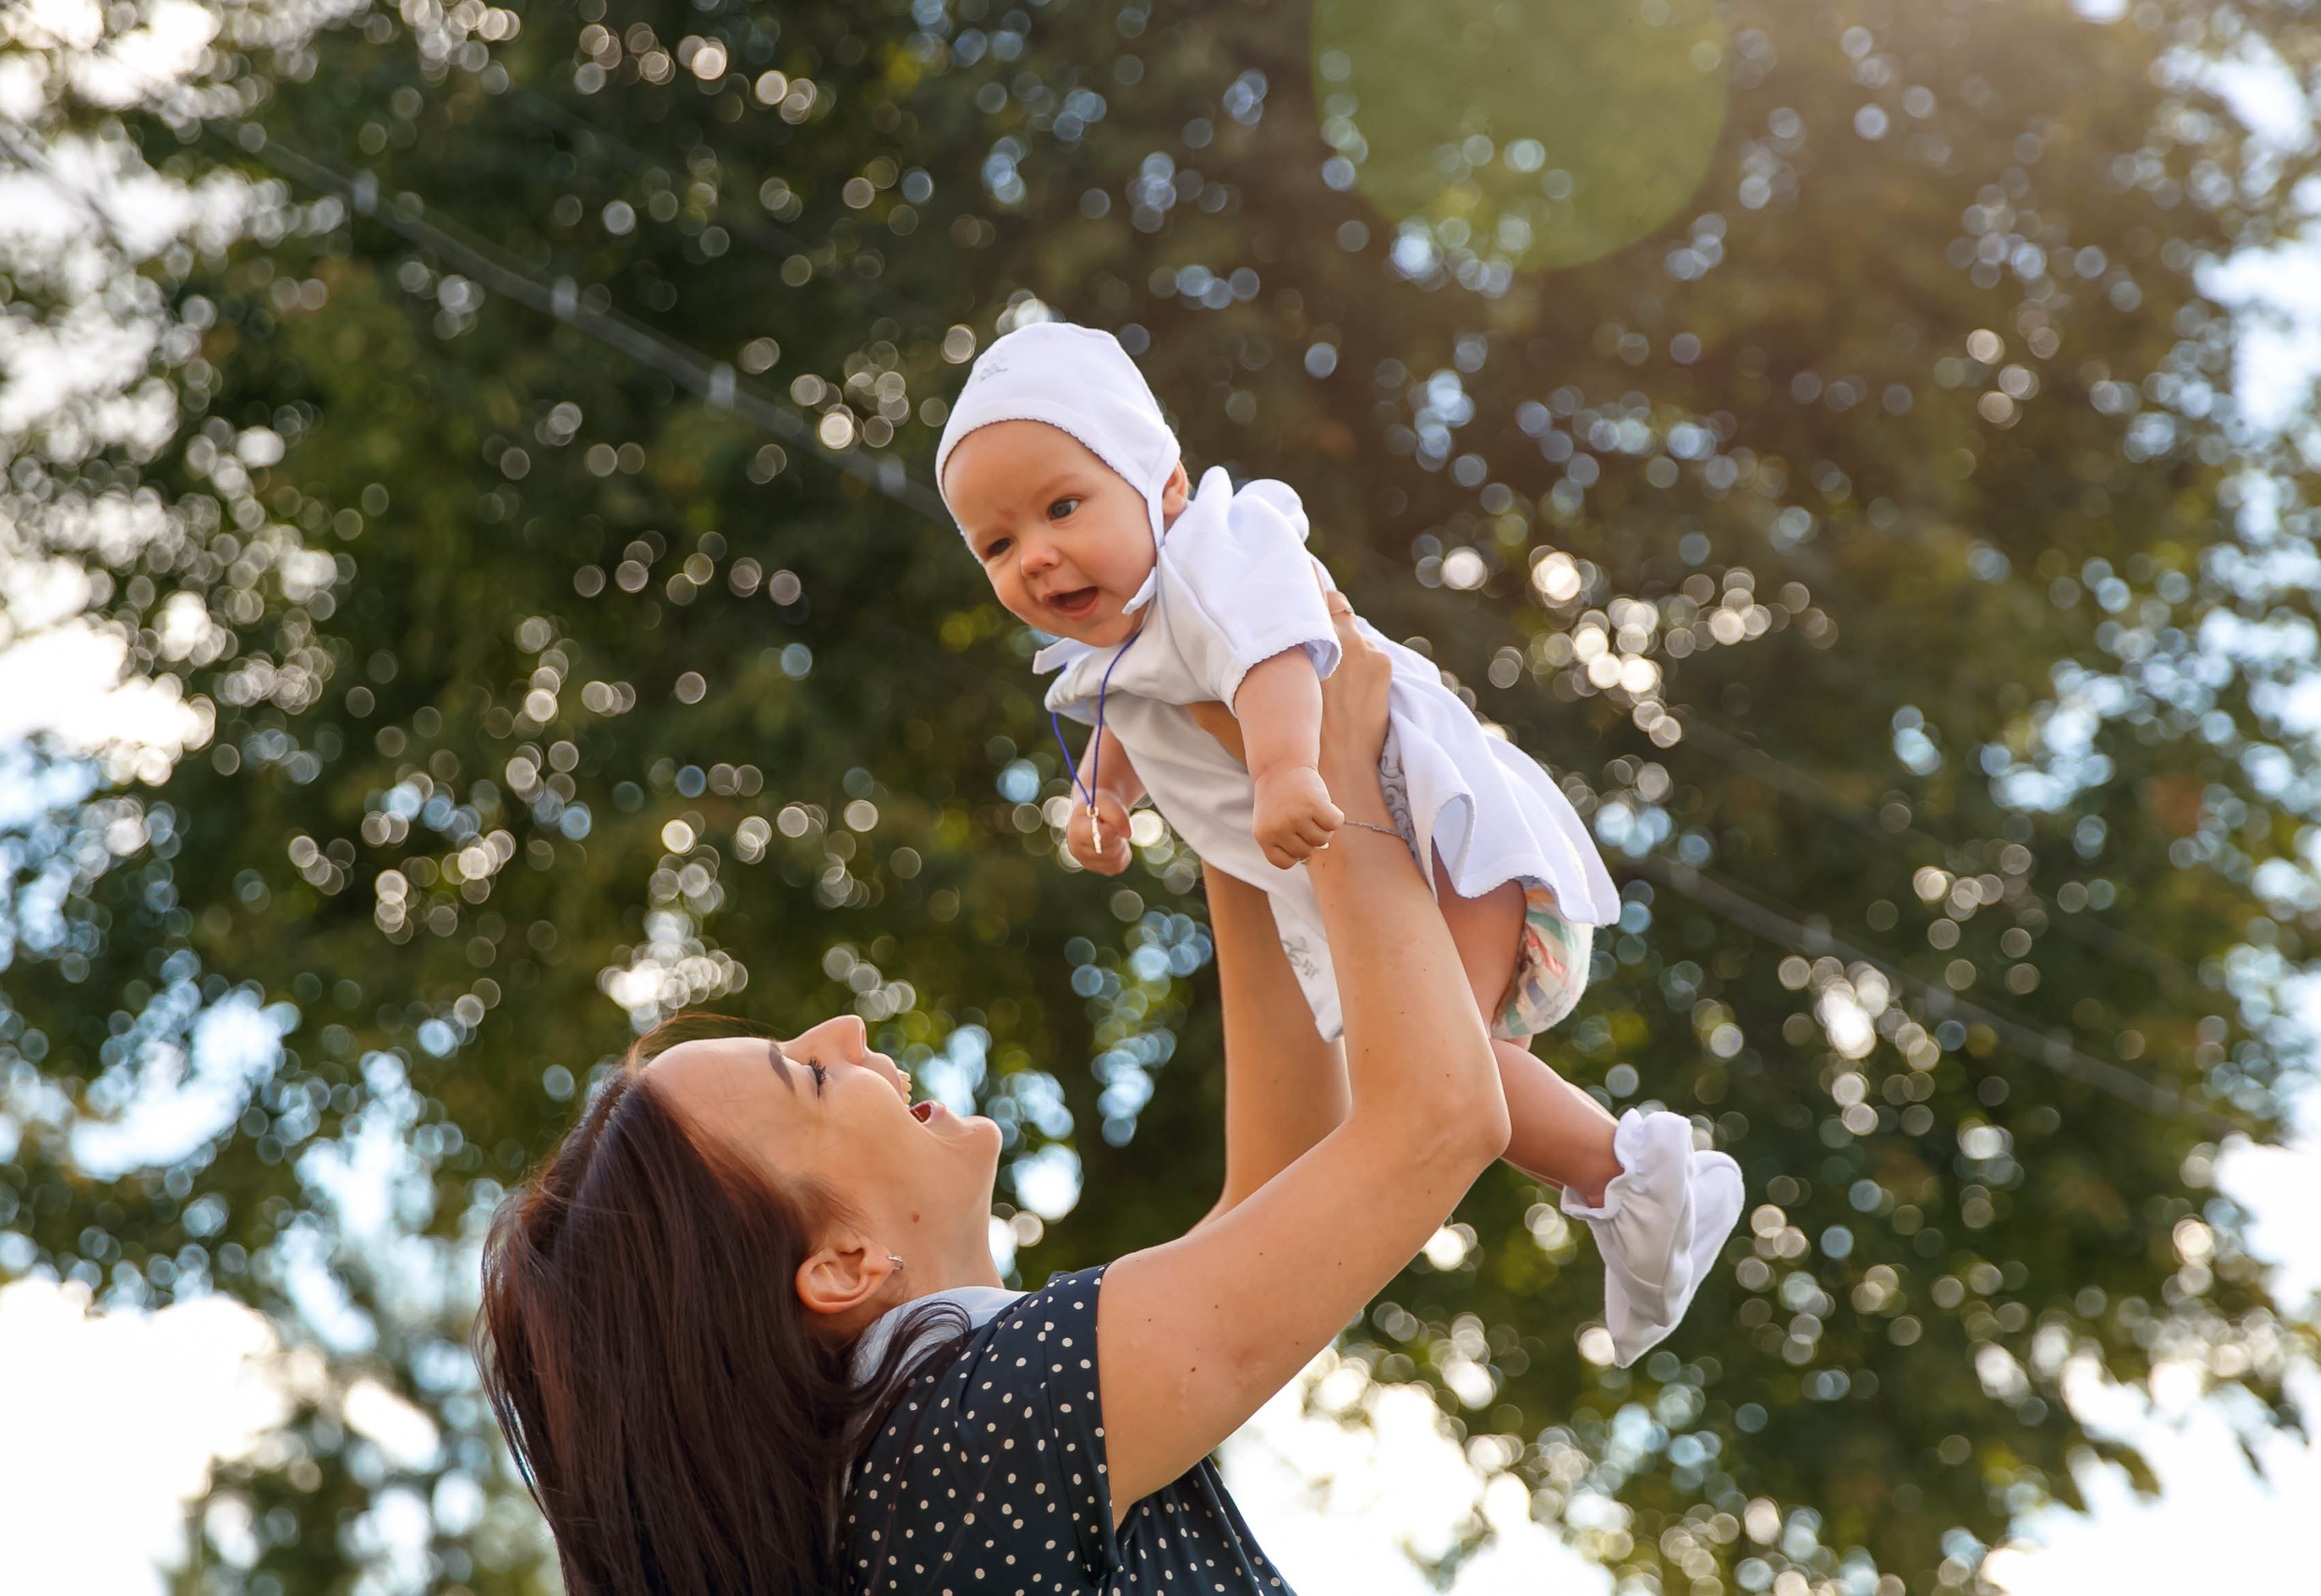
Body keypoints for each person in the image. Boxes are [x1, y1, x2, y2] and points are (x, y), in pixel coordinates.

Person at [478, 603, 1519, 1593]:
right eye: (809, 1074)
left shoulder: (911, 1486)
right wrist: (1335, 768)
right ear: (840, 1266)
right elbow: (1435, 1121)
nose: (846, 1033)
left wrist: (1217, 774)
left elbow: (1285, 1182)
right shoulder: (979, 1433)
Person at [935, 321, 1740, 1363]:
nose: (1035, 555)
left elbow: (1279, 653)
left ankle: (1638, 1177)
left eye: (1061, 507)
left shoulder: (1215, 560)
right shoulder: (1114, 654)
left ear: (1162, 487)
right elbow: (1129, 728)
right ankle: (1627, 1183)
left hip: (1427, 822)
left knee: (1435, 1065)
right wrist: (1102, 804)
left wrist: (1283, 772)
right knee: (1430, 1060)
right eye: (997, 545)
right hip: (1366, 856)